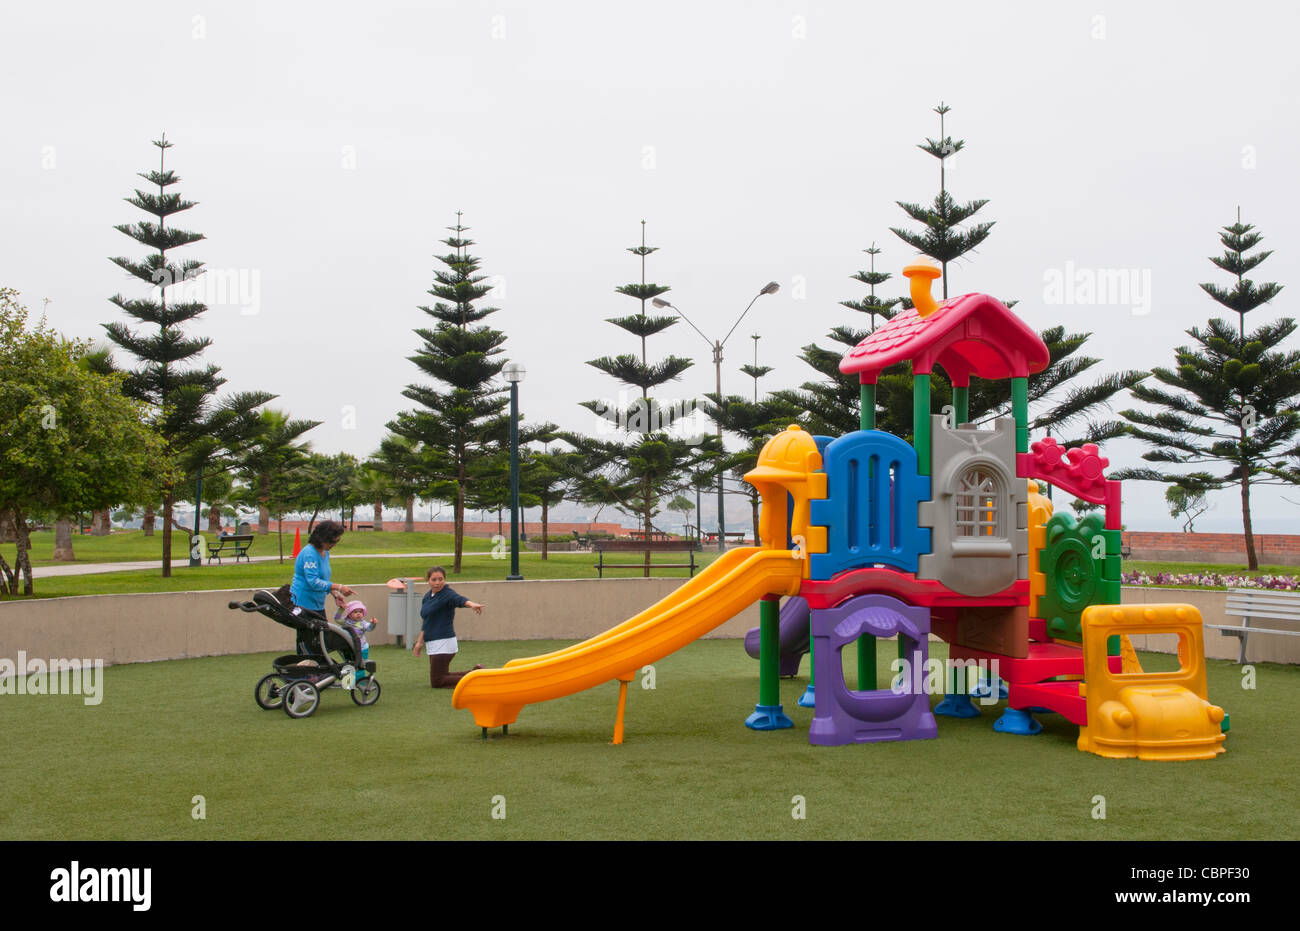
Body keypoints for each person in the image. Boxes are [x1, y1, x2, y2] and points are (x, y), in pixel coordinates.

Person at [412, 565, 484, 688]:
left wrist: (471, 604)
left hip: (444, 642)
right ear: (428, 580)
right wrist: (419, 643)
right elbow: (427, 620)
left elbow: (459, 600)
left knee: (438, 681)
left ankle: (474, 679)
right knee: (442, 675)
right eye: (434, 579)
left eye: (441, 579)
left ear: (445, 580)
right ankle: (474, 674)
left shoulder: (447, 594)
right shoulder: (427, 597)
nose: (437, 583)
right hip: (433, 643)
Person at [290, 520, 354, 614]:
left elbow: (323, 579)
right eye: (333, 542)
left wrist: (335, 593)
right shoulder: (309, 554)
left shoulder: (325, 552)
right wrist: (339, 587)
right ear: (322, 539)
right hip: (303, 605)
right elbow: (313, 582)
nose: (334, 545)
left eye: (337, 541)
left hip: (317, 604)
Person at [334, 598, 375, 682]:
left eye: (360, 612)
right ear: (349, 613)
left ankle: (360, 682)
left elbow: (369, 628)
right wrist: (341, 609)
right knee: (349, 664)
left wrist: (373, 624)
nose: (358, 614)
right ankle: (350, 680)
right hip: (349, 648)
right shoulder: (345, 621)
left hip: (361, 648)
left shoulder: (363, 623)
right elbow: (337, 618)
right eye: (355, 612)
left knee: (360, 665)